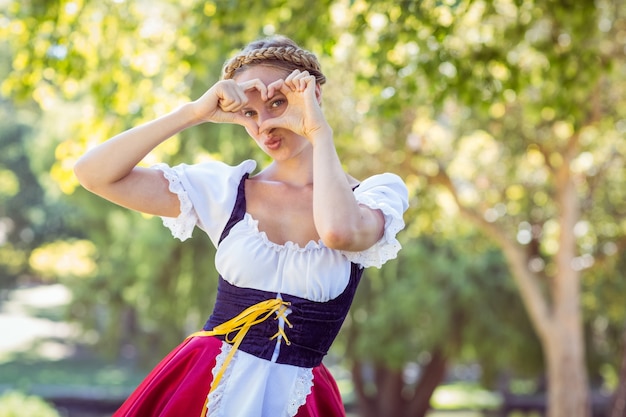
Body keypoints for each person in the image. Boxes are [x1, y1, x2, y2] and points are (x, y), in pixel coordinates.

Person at [74, 35, 409, 417]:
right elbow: (93, 174)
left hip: (297, 398)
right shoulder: (225, 190)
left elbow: (338, 232)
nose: (265, 124)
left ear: (314, 96)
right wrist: (193, 112)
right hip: (203, 383)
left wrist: (319, 132)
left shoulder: (376, 195)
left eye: (278, 103)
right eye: (250, 113)